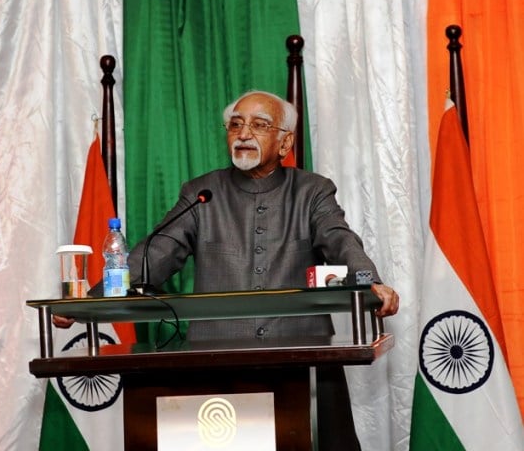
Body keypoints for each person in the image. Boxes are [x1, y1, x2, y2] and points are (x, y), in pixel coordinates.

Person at [55, 90, 399, 449]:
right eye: (235, 125)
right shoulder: (202, 193)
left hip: (305, 361)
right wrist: (88, 303)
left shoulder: (312, 191)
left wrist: (369, 281)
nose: (244, 134)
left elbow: (340, 239)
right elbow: (154, 255)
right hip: (219, 365)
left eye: (259, 125)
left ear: (285, 143)